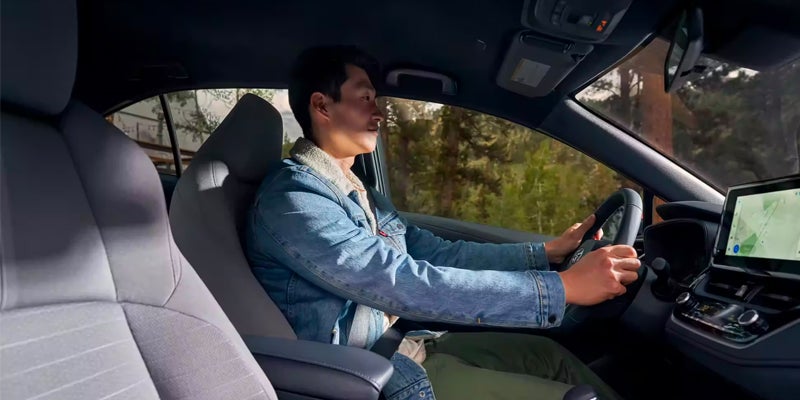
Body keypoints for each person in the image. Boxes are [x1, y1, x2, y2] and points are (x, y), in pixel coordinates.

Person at [245, 45, 641, 400]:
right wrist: (561, 288)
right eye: (365, 98)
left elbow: (433, 252)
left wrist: (544, 254)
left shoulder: (358, 191)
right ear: (323, 106)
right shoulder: (294, 200)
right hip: (372, 375)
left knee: (551, 356)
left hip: (408, 344)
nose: (379, 112)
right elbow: (400, 282)